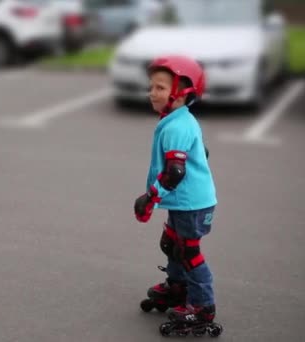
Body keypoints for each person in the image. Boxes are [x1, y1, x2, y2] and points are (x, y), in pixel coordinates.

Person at [133, 55, 218, 325]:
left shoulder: (177, 126)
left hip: (192, 204)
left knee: (188, 251)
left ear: (182, 94)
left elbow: (175, 172)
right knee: (171, 244)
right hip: (184, 202)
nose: (152, 93)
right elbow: (201, 153)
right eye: (152, 87)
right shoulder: (178, 121)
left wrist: (150, 198)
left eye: (160, 88)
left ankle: (203, 306)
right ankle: (179, 288)